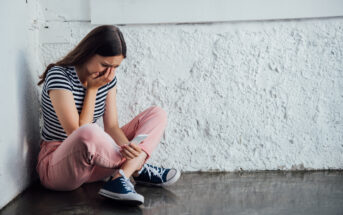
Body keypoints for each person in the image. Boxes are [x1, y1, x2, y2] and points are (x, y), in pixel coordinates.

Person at [35, 25, 181, 205]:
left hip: (95, 164)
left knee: (156, 114)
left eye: (115, 67)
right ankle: (138, 167)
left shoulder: (108, 79)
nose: (108, 72)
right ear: (88, 53)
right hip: (58, 166)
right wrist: (93, 90)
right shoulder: (59, 75)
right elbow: (76, 133)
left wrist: (129, 148)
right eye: (105, 65)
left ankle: (121, 176)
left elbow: (112, 127)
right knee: (91, 132)